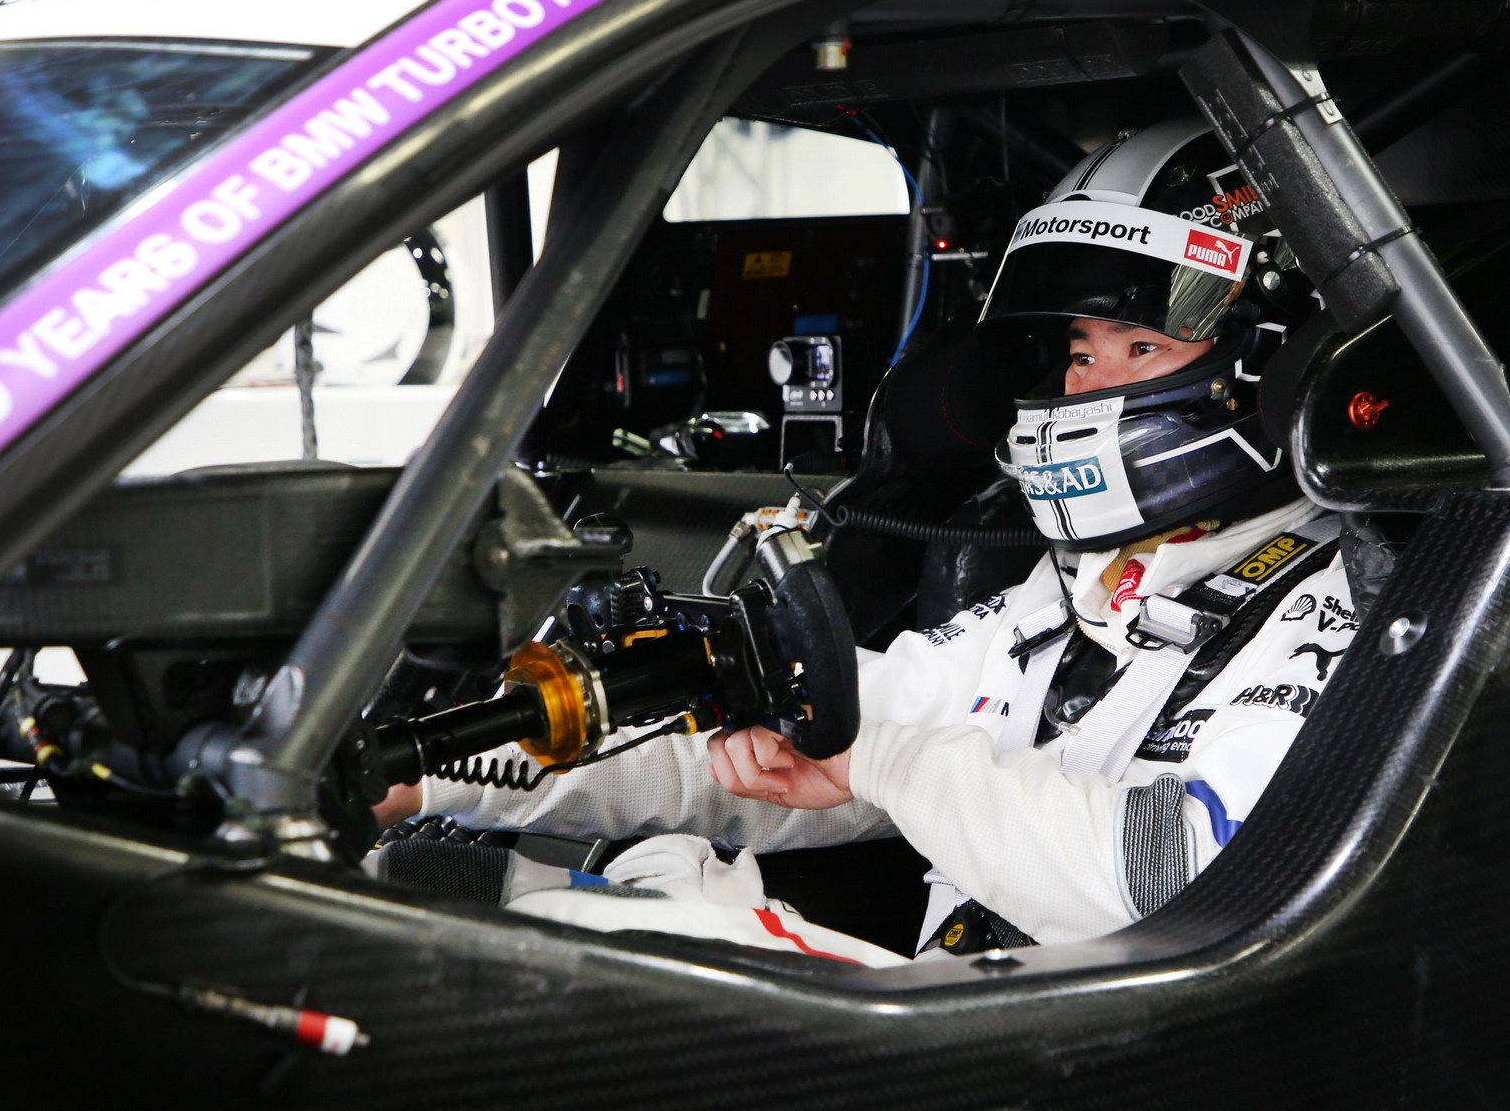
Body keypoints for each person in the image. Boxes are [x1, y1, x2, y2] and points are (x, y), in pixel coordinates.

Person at [376, 118, 1359, 964]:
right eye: (1078, 353)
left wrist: (885, 764)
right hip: (977, 1011)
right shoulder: (1072, 590)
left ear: (1270, 364)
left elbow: (1181, 874)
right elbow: (802, 735)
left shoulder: (1337, 602)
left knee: (626, 945)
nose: (1087, 390)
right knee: (498, 902)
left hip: (1119, 1048)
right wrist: (439, 773)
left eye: (1140, 347)